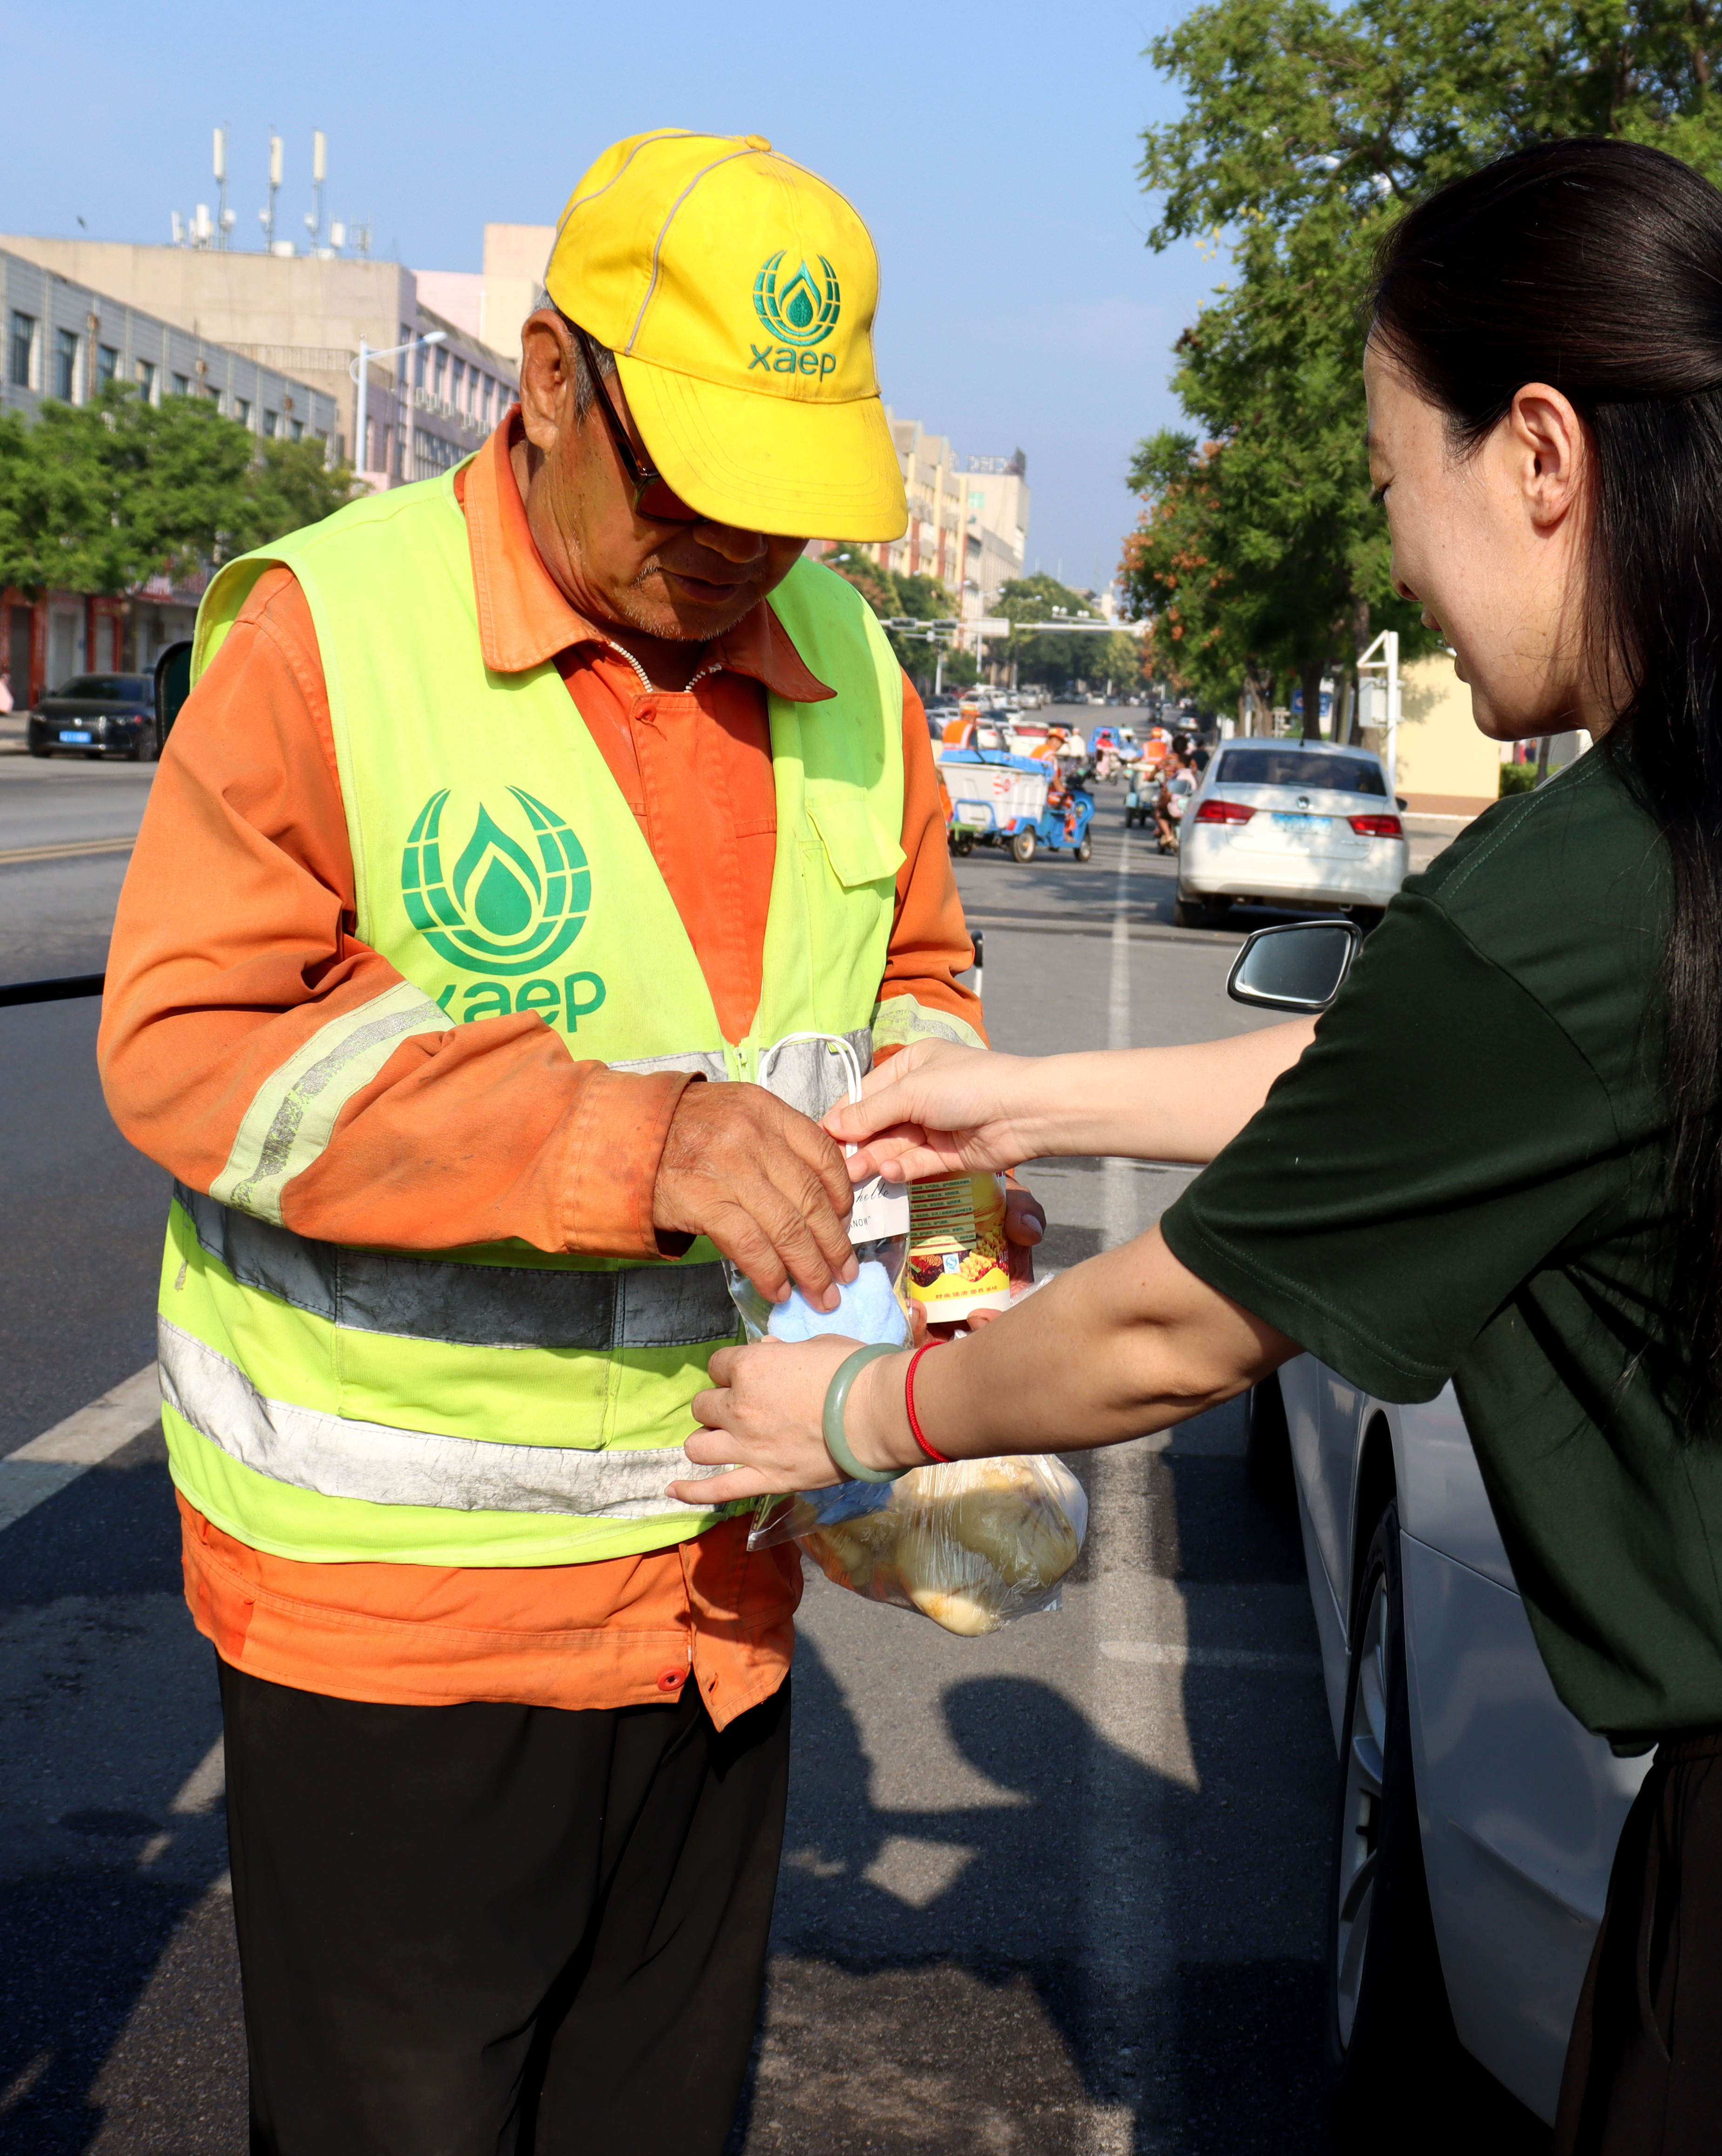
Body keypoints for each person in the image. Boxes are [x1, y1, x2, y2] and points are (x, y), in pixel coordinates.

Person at [691, 140, 1722, 2155]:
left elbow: (1174, 1333)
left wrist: (859, 1411)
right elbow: (1459, 1094)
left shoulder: (1606, 868)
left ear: (1545, 455)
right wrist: (1027, 1097)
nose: (1403, 561)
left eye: (1404, 485)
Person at [96, 130, 985, 2154]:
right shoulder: (334, 627)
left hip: (713, 1596)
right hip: (399, 1620)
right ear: (549, 378)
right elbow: (194, 1041)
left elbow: (921, 982)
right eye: (699, 485)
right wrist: (623, 1144)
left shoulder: (857, 670)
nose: (746, 546)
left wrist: (948, 1259)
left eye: (788, 500)